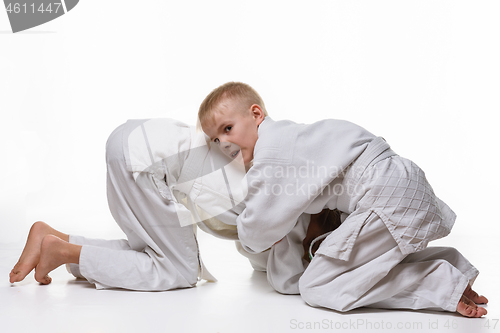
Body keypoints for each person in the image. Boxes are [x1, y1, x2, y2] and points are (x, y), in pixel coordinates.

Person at [198, 81, 489, 318]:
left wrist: (253, 237)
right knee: (357, 268)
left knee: (317, 285)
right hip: (398, 183)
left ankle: (439, 282)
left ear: (256, 115)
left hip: (384, 194)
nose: (224, 143)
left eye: (227, 129)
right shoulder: (294, 139)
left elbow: (259, 227)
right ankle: (451, 266)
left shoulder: (272, 152)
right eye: (215, 140)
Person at [9, 118, 331, 293]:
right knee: (179, 271)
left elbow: (257, 257)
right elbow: (280, 277)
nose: (308, 251)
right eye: (315, 246)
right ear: (320, 217)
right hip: (148, 163)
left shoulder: (274, 186)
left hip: (137, 143)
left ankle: (56, 240)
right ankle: (65, 253)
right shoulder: (292, 211)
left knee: (155, 256)